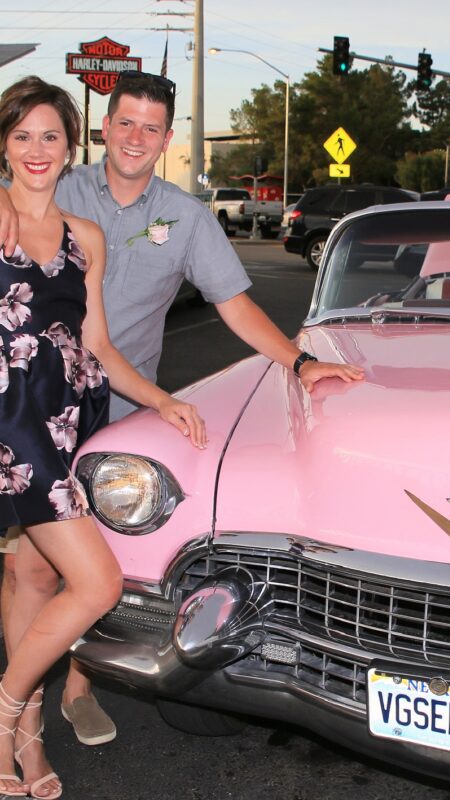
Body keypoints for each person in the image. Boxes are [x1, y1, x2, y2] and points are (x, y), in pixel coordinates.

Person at [0, 71, 364, 751]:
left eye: (151, 127)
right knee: (32, 568)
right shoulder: (56, 179)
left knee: (100, 564)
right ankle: (23, 716)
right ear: (105, 127)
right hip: (31, 407)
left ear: (168, 138)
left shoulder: (185, 216)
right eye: (125, 122)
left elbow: (233, 303)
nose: (137, 137)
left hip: (117, 406)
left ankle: (78, 685)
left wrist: (301, 362)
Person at [0, 75, 208, 798]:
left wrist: (162, 399)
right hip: (11, 424)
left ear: (69, 146)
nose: (36, 149)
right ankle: (5, 714)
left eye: (49, 136)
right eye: (21, 135)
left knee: (37, 571)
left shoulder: (84, 235)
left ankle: (24, 738)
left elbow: (101, 345)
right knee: (98, 581)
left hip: (69, 422)